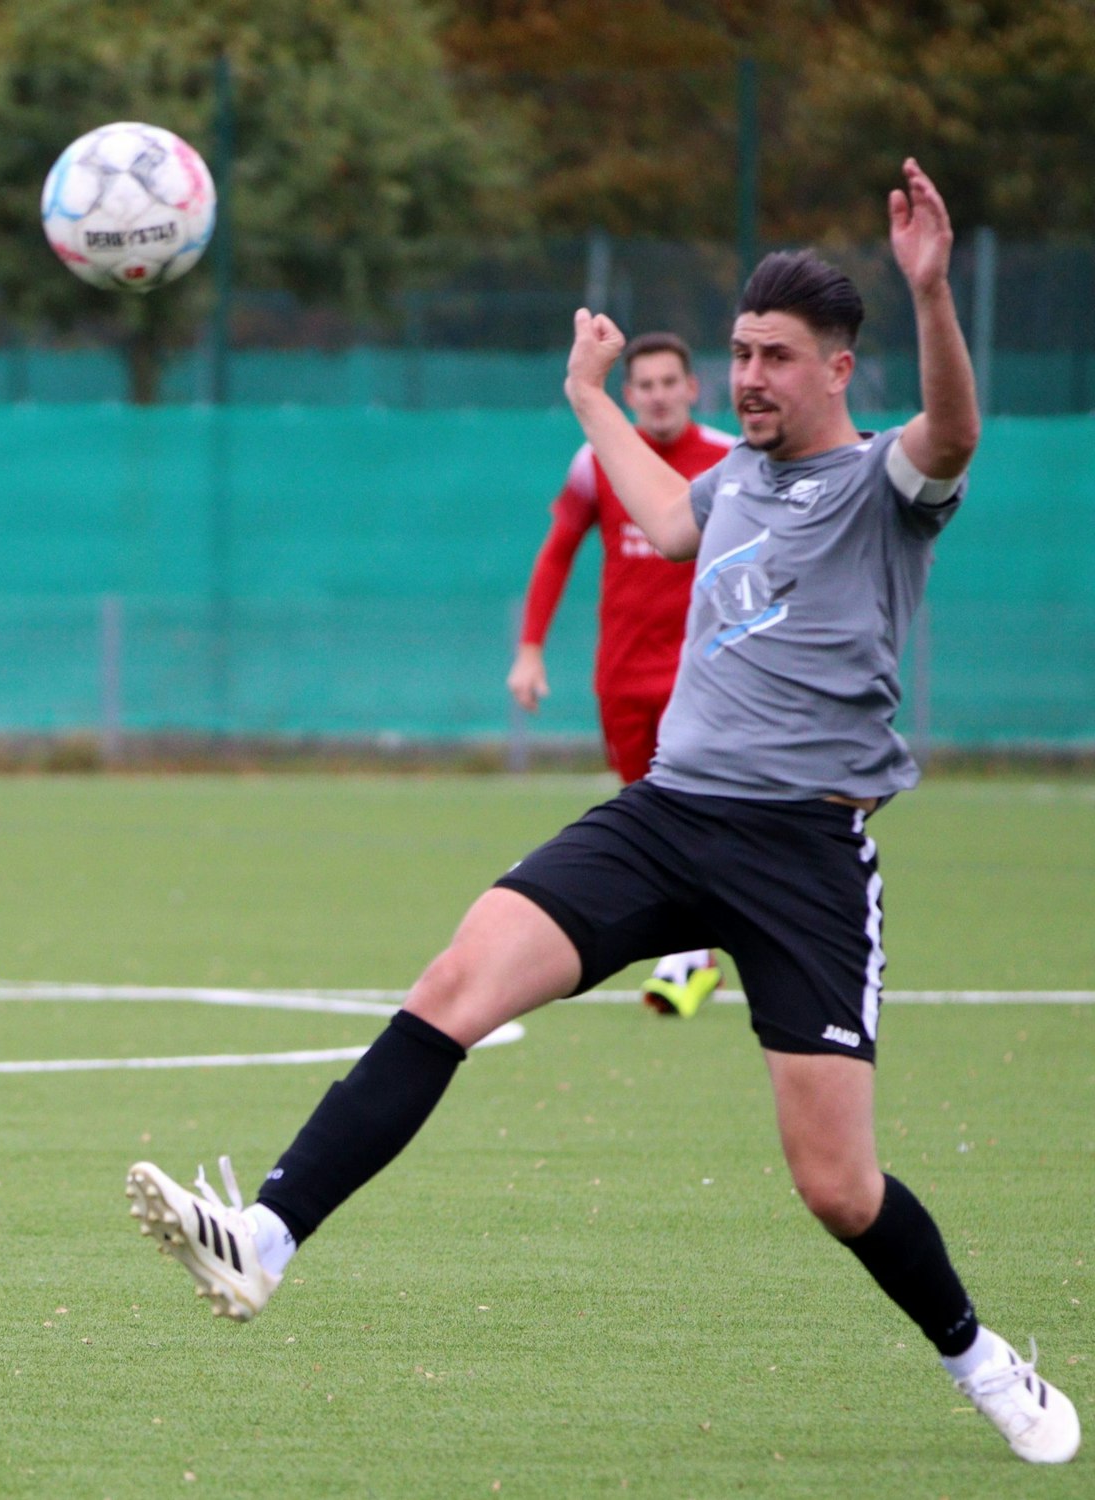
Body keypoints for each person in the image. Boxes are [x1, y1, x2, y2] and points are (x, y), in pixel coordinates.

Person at [125, 161, 1079, 1465]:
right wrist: (585, 392)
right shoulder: (729, 483)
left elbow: (956, 434)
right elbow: (662, 515)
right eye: (739, 352)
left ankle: (981, 1362)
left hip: (800, 852)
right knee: (454, 985)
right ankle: (267, 1239)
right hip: (665, 815)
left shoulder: (882, 486)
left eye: (776, 359)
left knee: (838, 1188)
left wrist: (931, 293)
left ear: (840, 370)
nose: (748, 378)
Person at [509, 332, 735, 1016]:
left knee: (697, 811)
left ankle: (692, 955)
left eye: (671, 382)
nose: (659, 395)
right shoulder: (597, 460)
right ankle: (696, 948)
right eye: (646, 385)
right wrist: (529, 649)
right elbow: (557, 554)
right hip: (622, 679)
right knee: (648, 811)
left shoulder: (729, 462)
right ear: (628, 394)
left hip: (702, 680)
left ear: (693, 389)